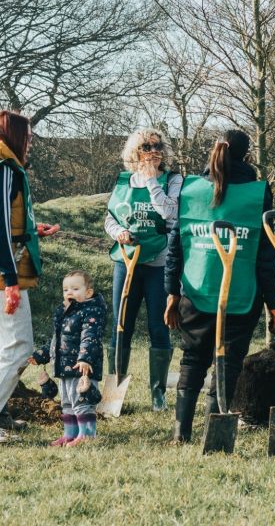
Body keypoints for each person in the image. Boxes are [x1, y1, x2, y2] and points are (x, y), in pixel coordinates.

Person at [163, 129, 275, 442]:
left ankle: (181, 433)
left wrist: (172, 293)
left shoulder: (189, 189)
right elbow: (266, 254)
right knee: (227, 365)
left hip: (195, 291)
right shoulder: (257, 193)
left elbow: (176, 246)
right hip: (243, 294)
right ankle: (214, 432)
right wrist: (274, 304)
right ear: (247, 156)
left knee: (192, 360)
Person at [0, 110, 60, 444]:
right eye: (28, 137)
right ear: (13, 137)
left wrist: (32, 230)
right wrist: (10, 281)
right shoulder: (4, 171)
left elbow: (0, 221)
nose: (30, 143)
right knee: (19, 346)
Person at [104, 128, 183, 411]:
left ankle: (157, 396)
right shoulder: (124, 181)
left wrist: (152, 182)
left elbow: (169, 213)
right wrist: (119, 232)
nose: (153, 151)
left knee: (158, 326)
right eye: (147, 147)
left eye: (158, 146)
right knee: (120, 325)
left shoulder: (173, 180)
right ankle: (113, 397)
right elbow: (110, 218)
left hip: (158, 262)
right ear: (135, 153)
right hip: (126, 261)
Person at [29, 270, 106, 447]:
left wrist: (85, 358)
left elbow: (90, 336)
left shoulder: (91, 311)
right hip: (65, 367)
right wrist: (42, 355)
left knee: (81, 400)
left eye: (75, 288)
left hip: (82, 367)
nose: (69, 292)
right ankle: (70, 433)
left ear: (88, 293)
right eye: (65, 289)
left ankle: (86, 434)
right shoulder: (64, 313)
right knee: (67, 403)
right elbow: (58, 340)